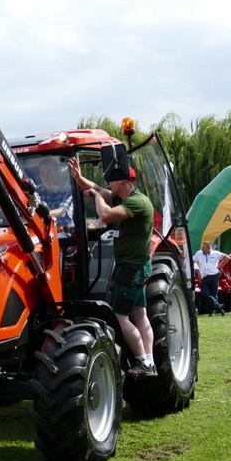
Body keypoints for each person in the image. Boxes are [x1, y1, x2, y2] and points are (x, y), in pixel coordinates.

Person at [69, 159, 156, 378]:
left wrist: (97, 198)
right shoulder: (125, 198)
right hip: (137, 267)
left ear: (125, 182)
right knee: (140, 314)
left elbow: (105, 216)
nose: (108, 183)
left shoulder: (137, 203)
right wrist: (79, 178)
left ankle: (143, 361)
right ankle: (150, 362)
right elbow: (97, 188)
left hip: (131, 269)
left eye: (112, 180)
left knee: (120, 316)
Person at [193, 241, 230, 317]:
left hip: (214, 276)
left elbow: (227, 257)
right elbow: (192, 260)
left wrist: (220, 266)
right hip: (204, 277)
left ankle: (212, 312)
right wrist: (196, 270)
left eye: (204, 248)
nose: (202, 249)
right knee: (205, 294)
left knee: (214, 294)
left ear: (209, 248)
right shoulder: (199, 253)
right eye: (202, 247)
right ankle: (219, 306)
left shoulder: (216, 253)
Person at [37, 157, 74, 227]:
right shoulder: (35, 192)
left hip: (63, 232)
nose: (45, 176)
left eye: (49, 172)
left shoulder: (66, 192)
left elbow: (62, 212)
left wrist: (40, 215)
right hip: (39, 232)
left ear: (56, 173)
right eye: (42, 173)